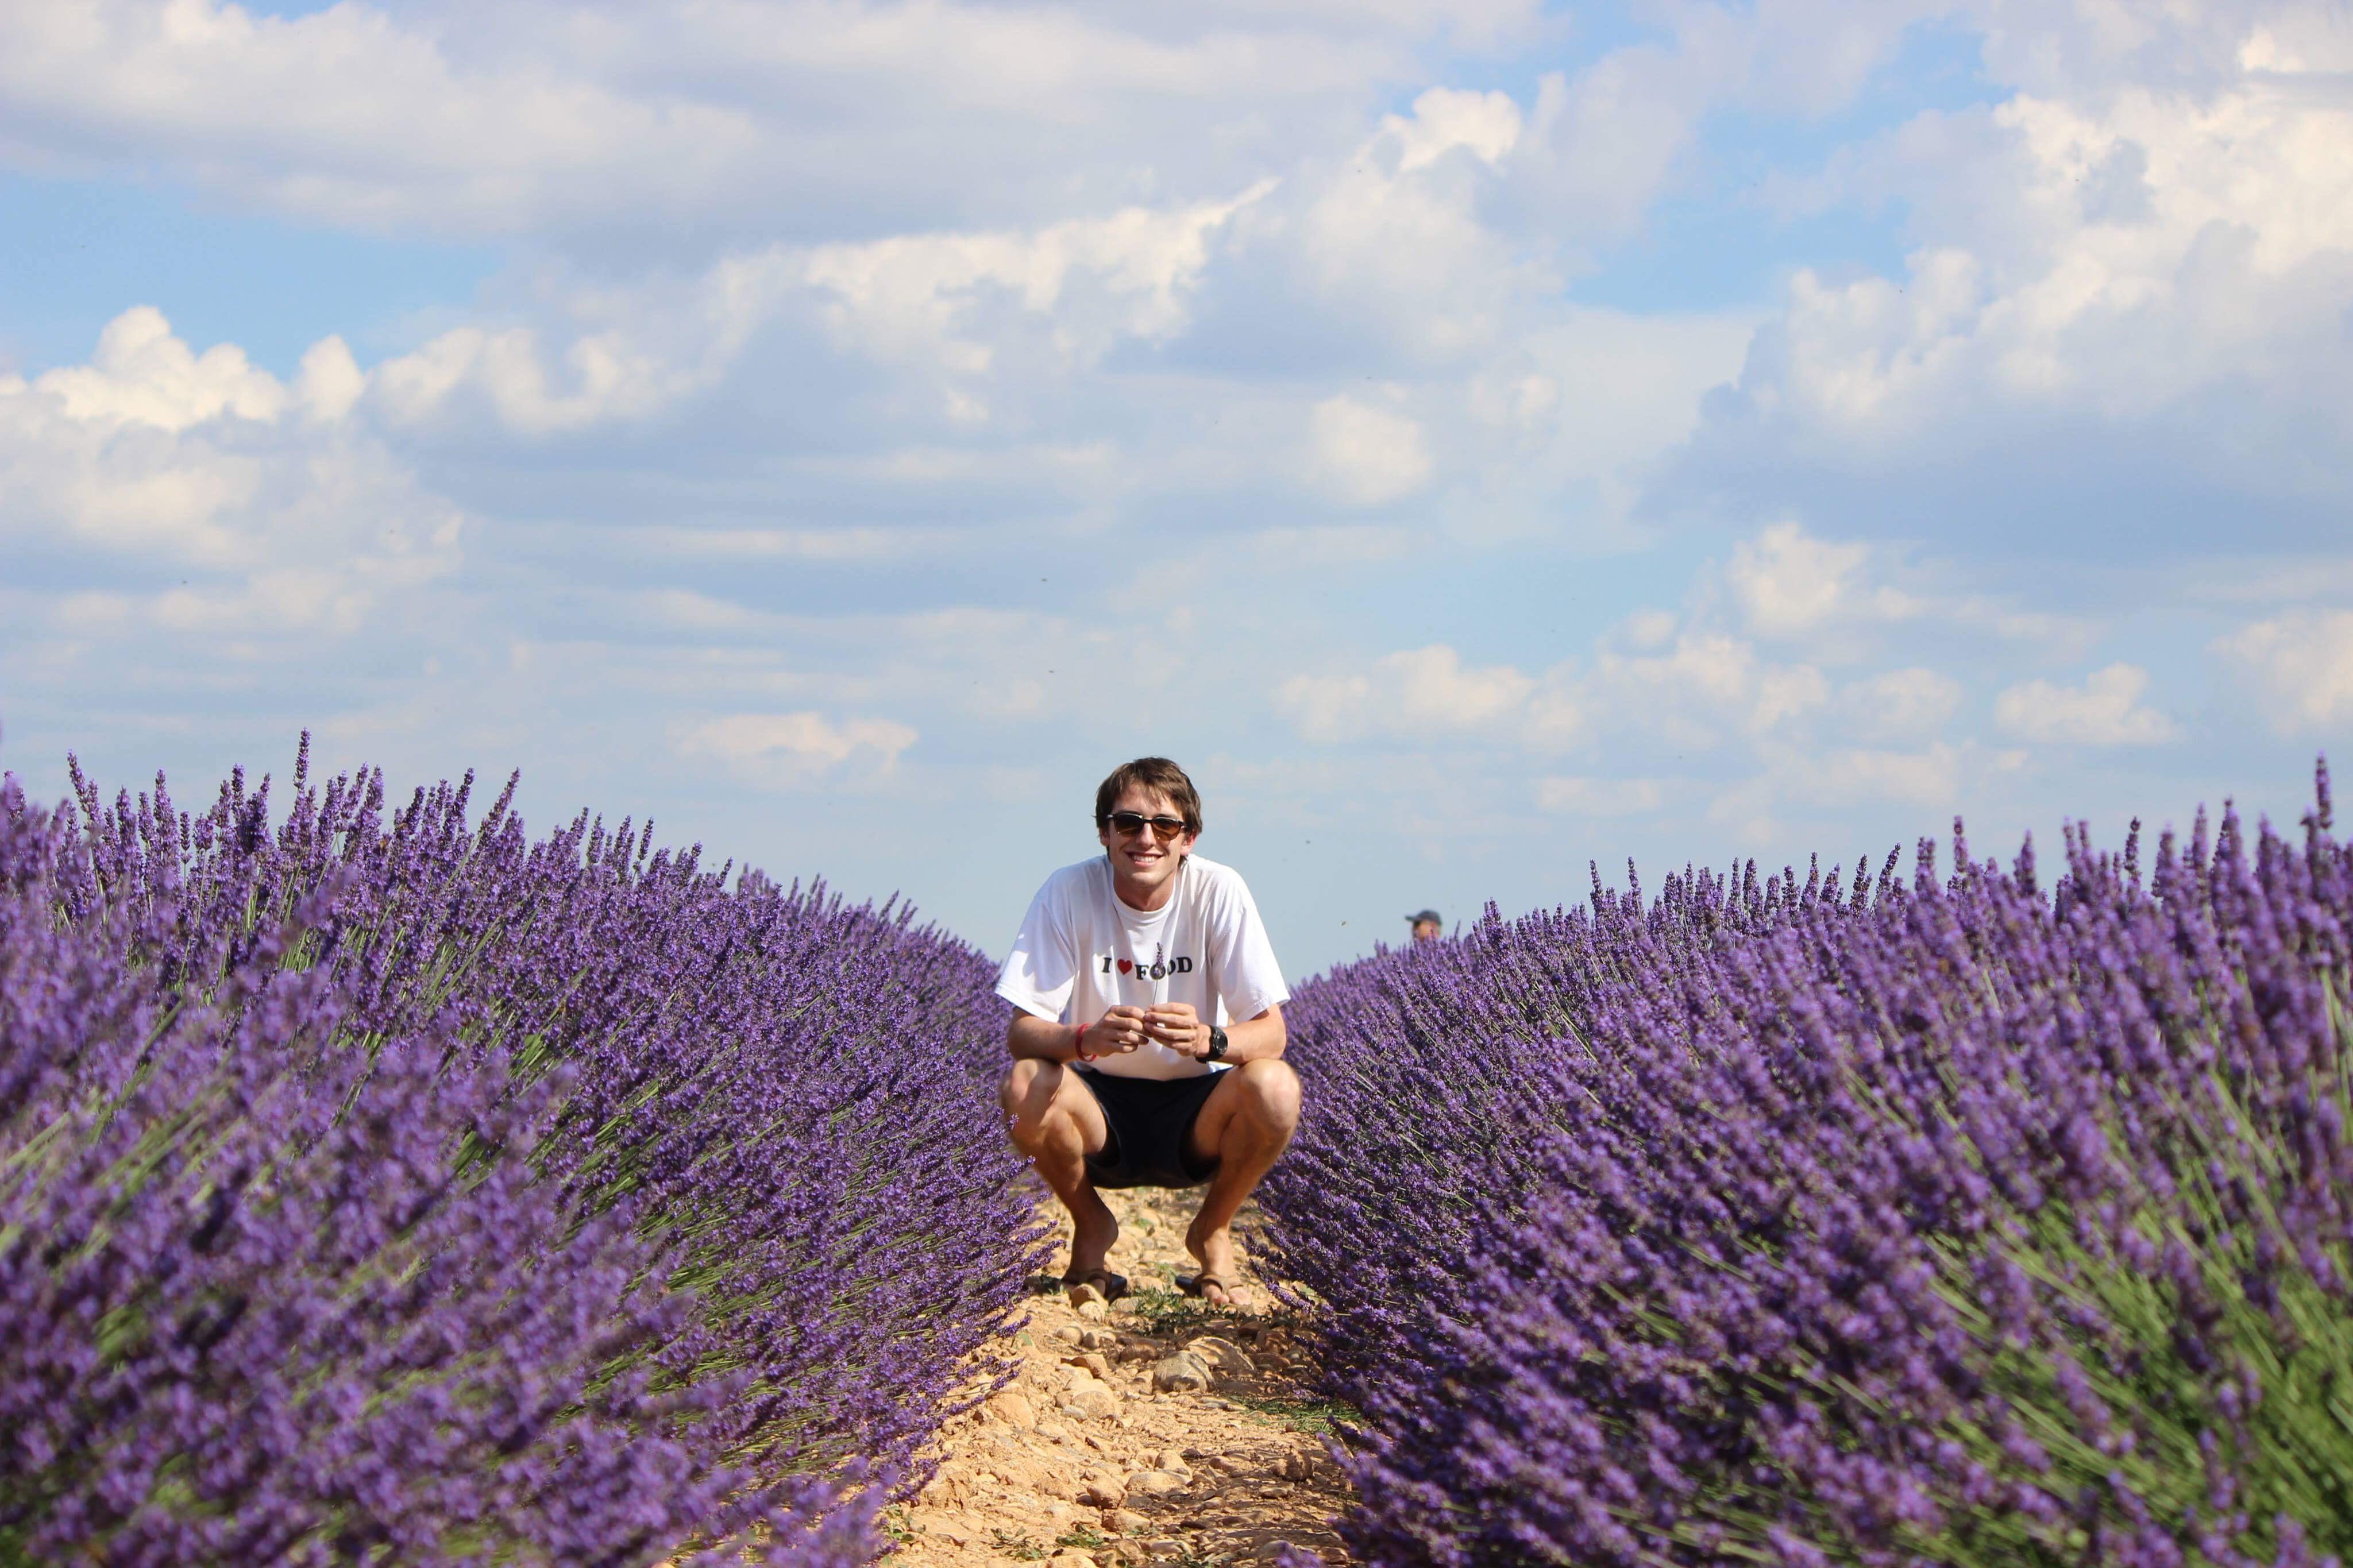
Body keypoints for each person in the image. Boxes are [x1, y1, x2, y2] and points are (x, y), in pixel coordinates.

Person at [995, 757, 1300, 1311]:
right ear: (1105, 833)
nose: (1146, 839)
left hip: (1196, 1109)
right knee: (1025, 1084)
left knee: (1276, 1088)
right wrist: (1085, 1037)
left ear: (1189, 839)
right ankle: (1091, 1224)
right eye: (1129, 823)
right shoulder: (1068, 890)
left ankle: (1211, 1230)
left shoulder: (1219, 890)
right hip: (1098, 1106)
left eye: (1165, 827)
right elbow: (1023, 1035)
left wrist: (1212, 1039)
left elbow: (1272, 1034)